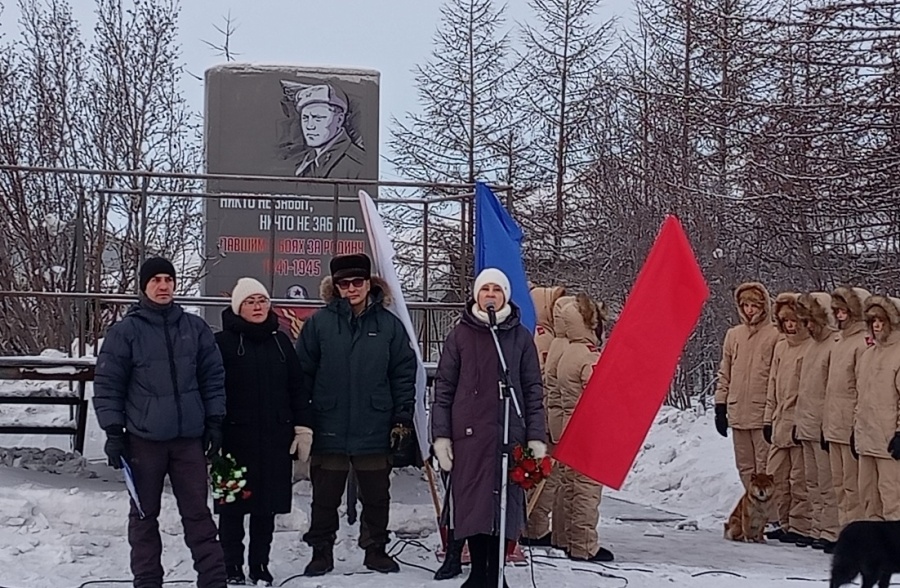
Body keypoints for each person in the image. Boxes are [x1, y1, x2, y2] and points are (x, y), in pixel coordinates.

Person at [93, 257, 227, 588]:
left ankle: (213, 581)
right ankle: (148, 581)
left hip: (188, 442)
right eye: (156, 280)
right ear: (144, 287)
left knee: (199, 516)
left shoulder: (194, 328)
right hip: (144, 441)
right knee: (143, 517)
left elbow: (213, 377)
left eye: (168, 279)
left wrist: (215, 421)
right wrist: (113, 431)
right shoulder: (125, 332)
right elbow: (108, 385)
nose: (163, 285)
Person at [295, 253, 417, 577]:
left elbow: (403, 373)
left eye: (357, 282)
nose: (351, 288)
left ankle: (375, 549)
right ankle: (321, 551)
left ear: (369, 283)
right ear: (335, 287)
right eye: (344, 283)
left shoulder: (390, 326)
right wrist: (302, 419)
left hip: (375, 425)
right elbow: (301, 374)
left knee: (377, 496)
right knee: (324, 497)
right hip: (328, 424)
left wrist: (402, 417)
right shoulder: (318, 324)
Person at [431, 268, 546, 588]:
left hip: (508, 437)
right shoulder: (460, 335)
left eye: (497, 289)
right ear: (477, 295)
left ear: (505, 295)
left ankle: (495, 573)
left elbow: (533, 390)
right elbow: (444, 388)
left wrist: (536, 437)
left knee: (502, 509)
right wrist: (441, 436)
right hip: (468, 438)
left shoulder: (520, 337)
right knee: (474, 507)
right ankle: (478, 573)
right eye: (485, 289)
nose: (491, 294)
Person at [214, 278, 314, 586]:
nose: (258, 307)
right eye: (250, 302)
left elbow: (297, 388)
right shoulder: (221, 343)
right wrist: (212, 432)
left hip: (274, 440)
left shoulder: (281, 342)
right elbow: (212, 390)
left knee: (265, 510)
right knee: (231, 510)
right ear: (238, 307)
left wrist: (302, 428)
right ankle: (231, 567)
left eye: (262, 300)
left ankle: (259, 566)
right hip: (233, 442)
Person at [556, 293, 614, 562]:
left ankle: (567, 539)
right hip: (588, 429)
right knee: (587, 490)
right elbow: (599, 395)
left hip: (569, 425)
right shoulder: (589, 356)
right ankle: (584, 545)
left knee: (570, 486)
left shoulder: (567, 351)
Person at [714, 282, 780, 491]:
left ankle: (771, 513)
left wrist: (773, 411)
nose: (750, 310)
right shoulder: (734, 335)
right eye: (745, 306)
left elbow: (776, 376)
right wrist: (720, 405)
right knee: (744, 466)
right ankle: (754, 508)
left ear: (763, 307)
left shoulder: (775, 335)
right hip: (738, 411)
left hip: (762, 412)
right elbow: (726, 372)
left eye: (754, 306)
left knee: (765, 465)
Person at [763, 293, 812, 546]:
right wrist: (767, 419)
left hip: (798, 423)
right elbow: (772, 384)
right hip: (780, 419)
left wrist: (801, 423)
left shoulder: (809, 347)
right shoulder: (781, 346)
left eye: (794, 320)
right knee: (776, 476)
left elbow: (808, 390)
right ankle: (784, 522)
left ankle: (800, 525)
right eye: (785, 321)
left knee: (799, 478)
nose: (790, 325)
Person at [520, 284, 567, 547]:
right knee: (545, 478)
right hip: (546, 416)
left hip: (541, 414)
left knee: (538, 475)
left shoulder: (535, 335)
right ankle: (534, 528)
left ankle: (533, 526)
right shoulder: (544, 339)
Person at [794, 292, 840, 552]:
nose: (809, 327)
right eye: (806, 322)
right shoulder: (810, 347)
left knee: (827, 482)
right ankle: (816, 527)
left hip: (823, 424)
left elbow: (832, 390)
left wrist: (826, 424)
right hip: (806, 423)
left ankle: (831, 530)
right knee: (811, 481)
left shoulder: (833, 344)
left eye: (812, 321)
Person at [824, 286, 871, 526]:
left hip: (849, 425)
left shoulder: (861, 344)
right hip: (833, 423)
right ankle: (843, 531)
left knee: (853, 487)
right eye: (837, 311)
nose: (840, 316)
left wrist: (855, 426)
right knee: (839, 484)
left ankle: (854, 532)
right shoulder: (839, 342)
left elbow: (860, 388)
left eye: (844, 311)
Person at [853, 295, 900, 521]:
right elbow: (860, 398)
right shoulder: (867, 355)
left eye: (881, 321)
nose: (877, 326)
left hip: (889, 442)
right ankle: (876, 551)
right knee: (868, 499)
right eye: (873, 321)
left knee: (893, 499)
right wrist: (856, 431)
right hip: (867, 440)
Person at [280, 81, 365, 179]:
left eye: (318, 118)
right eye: (305, 118)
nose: (309, 126)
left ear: (339, 119)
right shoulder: (305, 161)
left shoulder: (358, 165)